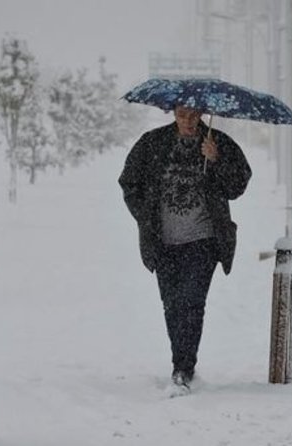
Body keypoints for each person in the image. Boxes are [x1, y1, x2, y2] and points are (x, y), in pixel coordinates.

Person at [118, 105, 252, 391]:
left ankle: (183, 368)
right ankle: (180, 359)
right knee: (172, 305)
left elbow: (238, 186)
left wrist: (216, 160)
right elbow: (129, 182)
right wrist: (145, 217)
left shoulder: (219, 142)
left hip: (203, 241)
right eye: (182, 115)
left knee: (192, 302)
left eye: (193, 115)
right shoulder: (152, 143)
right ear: (173, 114)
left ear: (202, 113)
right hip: (163, 242)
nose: (188, 121)